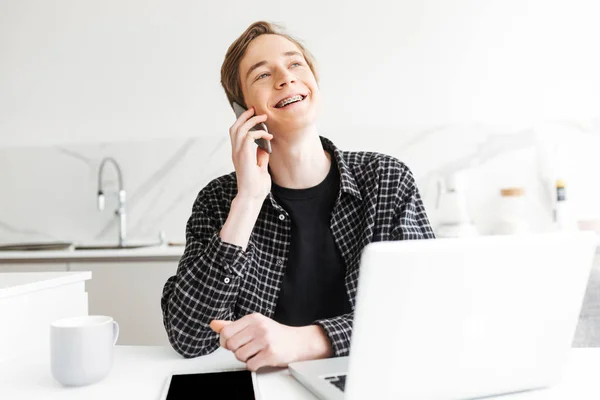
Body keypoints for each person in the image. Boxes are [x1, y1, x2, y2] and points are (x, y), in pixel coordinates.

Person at [160, 20, 435, 372]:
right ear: (241, 109)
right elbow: (190, 338)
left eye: (294, 64)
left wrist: (305, 341)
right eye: (262, 75)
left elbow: (425, 309)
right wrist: (247, 202)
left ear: (313, 80)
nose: (285, 78)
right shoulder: (219, 200)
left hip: (375, 380)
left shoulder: (386, 180)